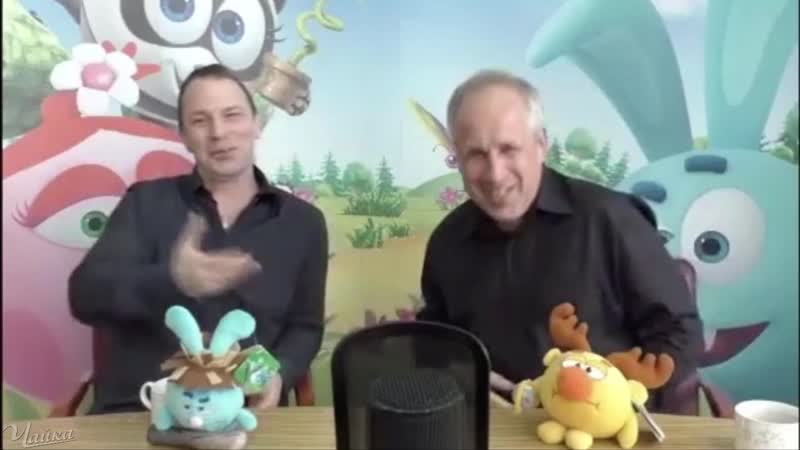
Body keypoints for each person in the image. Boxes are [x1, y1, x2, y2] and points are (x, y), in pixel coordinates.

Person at [416, 70, 703, 413]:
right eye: (476, 154)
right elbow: (436, 346)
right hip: (491, 425)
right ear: (457, 159)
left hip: (601, 424)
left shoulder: (610, 219)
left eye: (509, 149)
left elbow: (681, 333)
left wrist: (613, 395)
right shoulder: (447, 242)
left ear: (541, 145)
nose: (495, 173)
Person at [68, 63, 328, 414]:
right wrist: (171, 279)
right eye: (200, 121)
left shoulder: (304, 222)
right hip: (142, 412)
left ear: (256, 124)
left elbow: (305, 328)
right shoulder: (144, 203)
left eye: (232, 115)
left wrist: (278, 374)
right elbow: (84, 296)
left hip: (246, 416)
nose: (218, 132)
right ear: (184, 135)